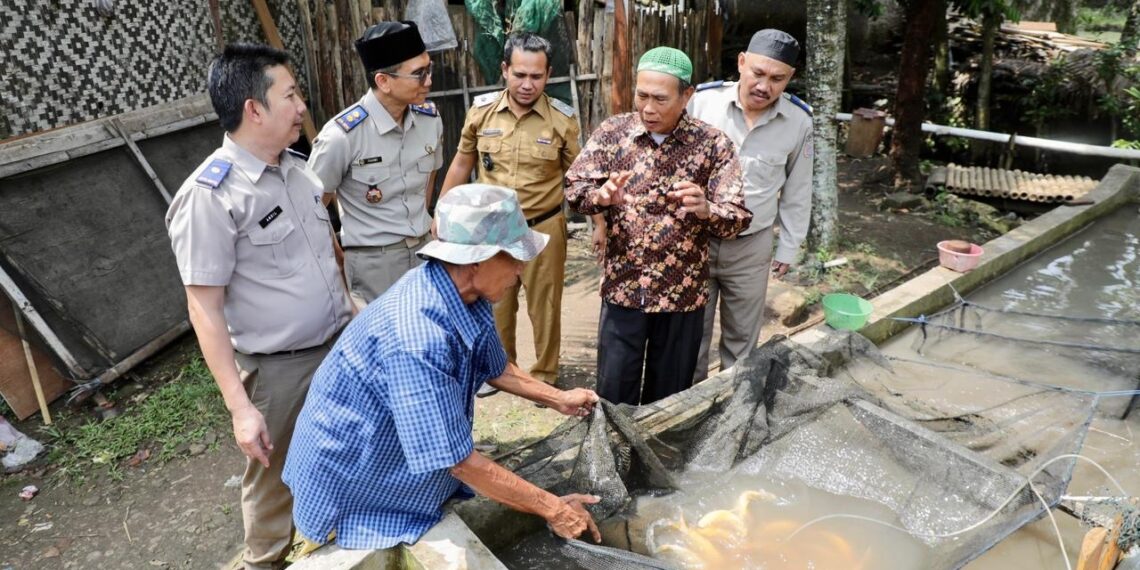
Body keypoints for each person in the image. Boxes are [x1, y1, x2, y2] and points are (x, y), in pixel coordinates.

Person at [283, 184, 602, 549]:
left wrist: (558, 398)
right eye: (513, 257)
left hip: (396, 463)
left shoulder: (467, 294)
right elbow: (457, 461)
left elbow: (496, 368)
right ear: (476, 260)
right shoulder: (418, 338)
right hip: (353, 486)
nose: (520, 269)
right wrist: (554, 509)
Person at [165, 44, 353, 569]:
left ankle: (337, 540)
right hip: (277, 371)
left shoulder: (297, 169)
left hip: (336, 343)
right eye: (290, 95)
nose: (301, 106)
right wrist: (240, 407)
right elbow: (203, 307)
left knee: (341, 450)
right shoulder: (212, 195)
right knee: (273, 482)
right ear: (254, 108)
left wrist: (351, 308)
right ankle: (264, 561)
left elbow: (324, 256)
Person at [565, 47, 751, 406]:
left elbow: (737, 217)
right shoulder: (613, 133)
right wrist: (600, 198)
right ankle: (613, 460)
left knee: (670, 398)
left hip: (682, 296)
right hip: (624, 290)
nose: (648, 108)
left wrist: (706, 209)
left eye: (660, 99)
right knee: (613, 395)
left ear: (687, 95)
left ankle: (659, 461)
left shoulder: (712, 144)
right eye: (642, 95)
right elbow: (575, 188)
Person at [440, 32, 581, 388]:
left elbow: (580, 178)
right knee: (494, 302)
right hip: (493, 231)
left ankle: (545, 376)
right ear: (504, 70)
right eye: (519, 74)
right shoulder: (481, 113)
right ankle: (500, 372)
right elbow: (460, 165)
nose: (527, 84)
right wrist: (441, 213)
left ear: (548, 76)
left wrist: (598, 224)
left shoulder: (562, 120)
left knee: (544, 305)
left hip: (544, 226)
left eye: (536, 76)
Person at [687, 29, 813, 382]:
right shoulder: (701, 104)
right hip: (695, 238)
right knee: (691, 335)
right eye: (758, 73)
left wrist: (789, 245)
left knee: (742, 339)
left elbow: (798, 190)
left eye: (777, 79)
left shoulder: (799, 123)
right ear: (741, 62)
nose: (764, 86)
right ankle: (688, 410)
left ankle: (733, 410)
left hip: (751, 246)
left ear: (790, 79)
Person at [307, 21, 443, 306]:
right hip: (374, 266)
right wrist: (338, 256)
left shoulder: (430, 119)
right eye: (419, 74)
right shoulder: (342, 136)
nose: (429, 80)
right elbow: (310, 207)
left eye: (429, 69)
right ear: (383, 81)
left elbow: (428, 179)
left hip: (425, 253)